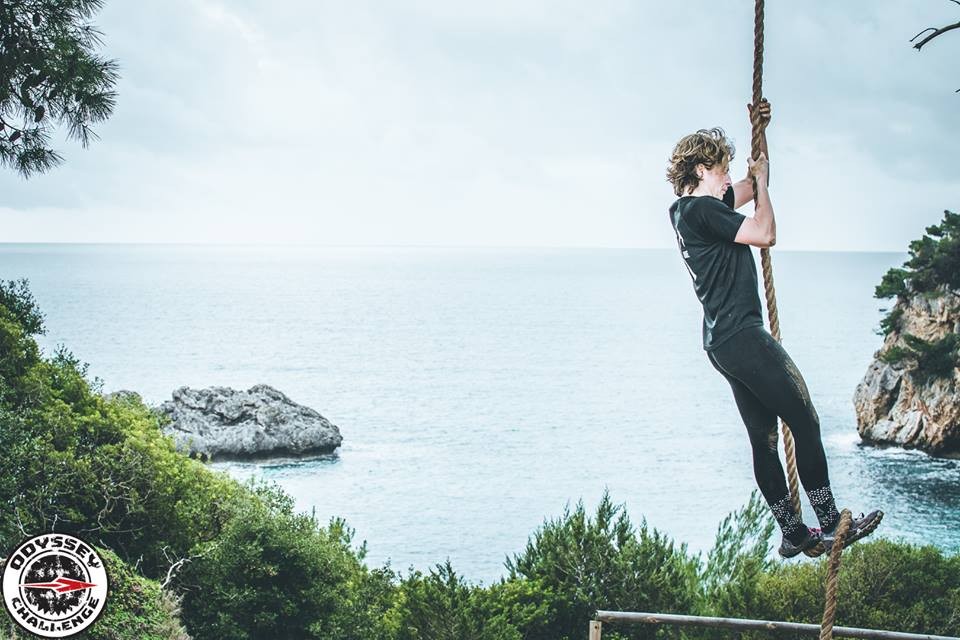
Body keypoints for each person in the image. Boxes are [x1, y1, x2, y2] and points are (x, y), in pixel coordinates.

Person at [665, 101, 882, 558]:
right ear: (703, 169)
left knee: (764, 438)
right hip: (743, 335)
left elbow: (753, 187)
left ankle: (792, 531)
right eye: (722, 170)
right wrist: (760, 181)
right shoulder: (705, 211)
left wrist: (761, 138)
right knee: (805, 420)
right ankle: (827, 523)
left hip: (719, 342)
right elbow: (765, 231)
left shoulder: (685, 211)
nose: (728, 179)